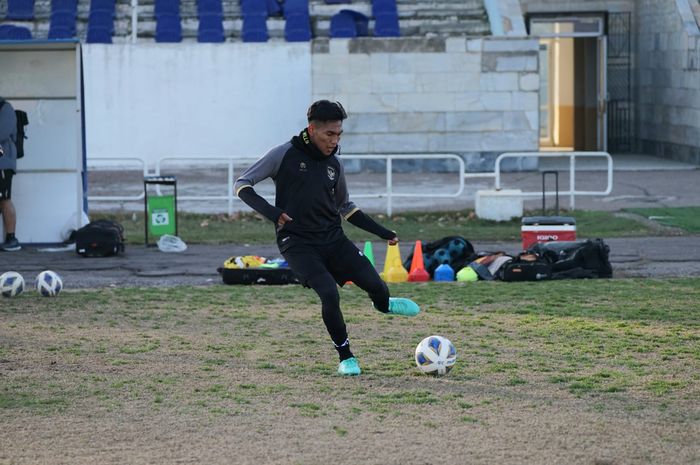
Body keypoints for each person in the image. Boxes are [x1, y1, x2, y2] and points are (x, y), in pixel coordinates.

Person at [234, 100, 420, 376]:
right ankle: (346, 358)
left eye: (339, 134)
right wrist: (273, 212)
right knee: (329, 295)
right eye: (329, 134)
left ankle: (384, 305)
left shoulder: (334, 164)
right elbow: (242, 184)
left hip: (333, 240)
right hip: (297, 244)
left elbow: (346, 207)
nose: (335, 140)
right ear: (312, 129)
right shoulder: (283, 154)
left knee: (377, 287)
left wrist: (383, 233)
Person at [0, 97, 21, 252]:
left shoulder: (5, 107)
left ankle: (11, 238)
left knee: (5, 199)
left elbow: (2, 132)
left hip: (3, 163)